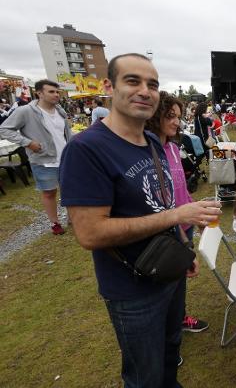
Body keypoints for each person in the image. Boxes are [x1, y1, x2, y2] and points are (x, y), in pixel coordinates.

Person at [59, 53, 221, 387]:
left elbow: (158, 203)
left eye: (153, 84)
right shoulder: (86, 149)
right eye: (132, 81)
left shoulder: (151, 141)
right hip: (132, 289)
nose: (145, 91)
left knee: (169, 354)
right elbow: (90, 233)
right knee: (144, 375)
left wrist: (182, 250)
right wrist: (177, 215)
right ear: (109, 86)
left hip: (168, 271)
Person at [145, 91, 209, 336]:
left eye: (178, 116)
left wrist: (197, 214)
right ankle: (165, 331)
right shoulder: (146, 152)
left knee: (180, 278)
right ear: (154, 115)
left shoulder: (172, 148)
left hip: (185, 225)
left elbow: (181, 188)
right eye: (170, 115)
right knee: (163, 285)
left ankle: (179, 318)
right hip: (163, 230)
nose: (176, 122)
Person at [0, 79, 72, 235]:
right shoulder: (25, 111)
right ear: (39, 93)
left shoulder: (60, 110)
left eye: (57, 92)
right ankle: (55, 223)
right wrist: (27, 142)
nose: (56, 95)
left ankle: (72, 217)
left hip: (66, 158)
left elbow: (65, 133)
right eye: (51, 92)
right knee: (49, 192)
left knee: (69, 189)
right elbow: (4, 129)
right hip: (44, 160)